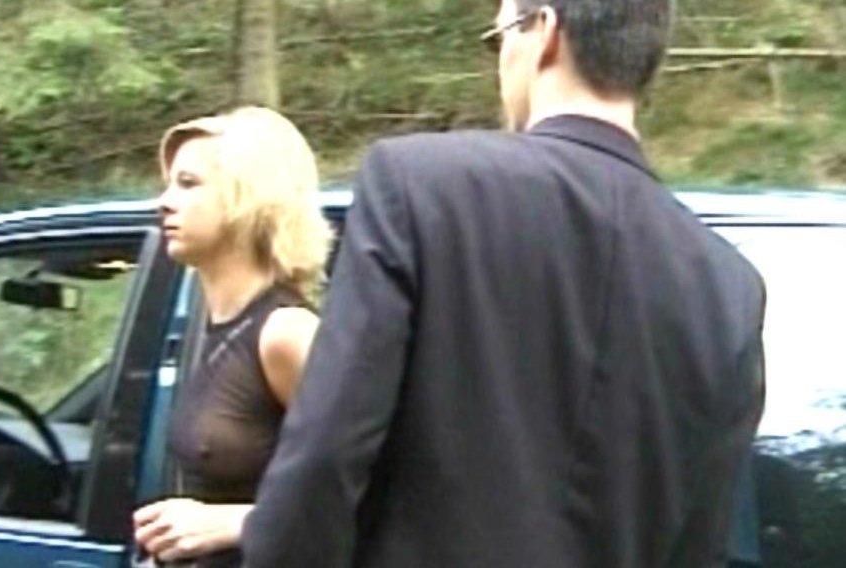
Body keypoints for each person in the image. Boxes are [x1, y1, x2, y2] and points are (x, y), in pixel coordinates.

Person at [242, 1, 766, 567]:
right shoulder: (730, 287)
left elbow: (324, 460)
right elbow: (700, 542)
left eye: (499, 37)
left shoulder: (419, 187)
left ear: (544, 32)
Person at [132, 106, 331, 566]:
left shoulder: (285, 332)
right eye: (169, 184)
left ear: (249, 199)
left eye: (188, 184)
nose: (164, 202)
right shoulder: (212, 324)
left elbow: (381, 491)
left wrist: (237, 522)